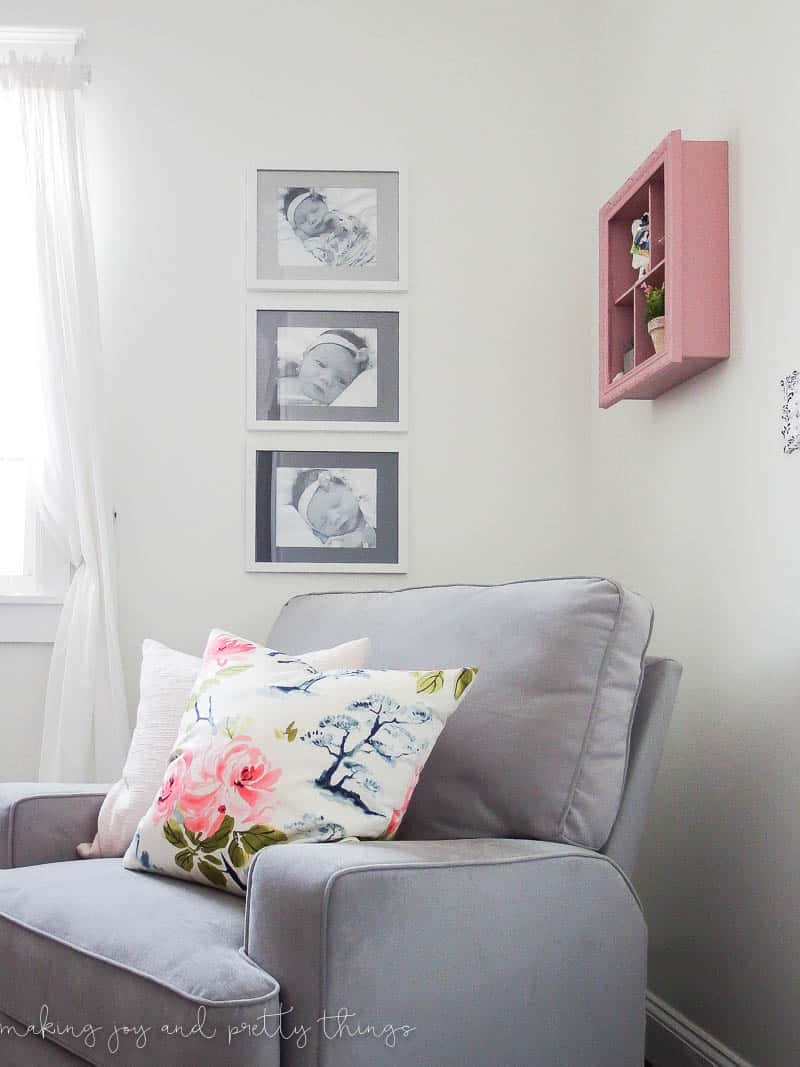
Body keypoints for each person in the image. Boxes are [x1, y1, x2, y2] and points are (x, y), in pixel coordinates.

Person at [282, 187, 376, 267]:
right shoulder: (314, 241)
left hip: (371, 252)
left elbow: (359, 228)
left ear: (325, 204)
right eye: (303, 221)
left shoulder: (338, 215)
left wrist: (337, 224)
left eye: (315, 210)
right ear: (298, 229)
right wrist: (304, 238)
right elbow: (327, 260)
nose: (312, 219)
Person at [279, 330, 370, 407]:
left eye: (342, 381)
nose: (327, 379)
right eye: (321, 364)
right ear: (304, 358)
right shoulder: (283, 379)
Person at [290, 468, 376, 548]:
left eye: (336, 504)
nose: (335, 519)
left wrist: (366, 538)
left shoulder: (371, 501)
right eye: (324, 523)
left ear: (346, 486)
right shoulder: (338, 544)